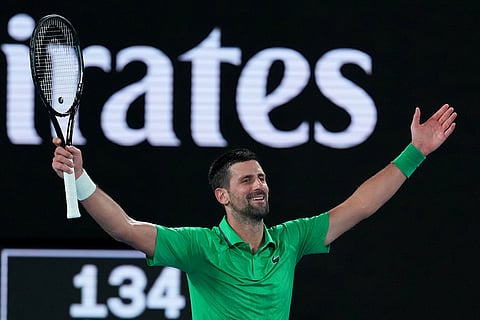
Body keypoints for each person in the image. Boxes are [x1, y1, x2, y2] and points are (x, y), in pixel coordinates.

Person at [52, 104, 456, 319]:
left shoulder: (293, 239)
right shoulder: (198, 246)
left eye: (261, 178)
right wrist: (82, 177)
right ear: (222, 196)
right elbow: (125, 228)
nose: (259, 185)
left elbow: (360, 206)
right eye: (246, 181)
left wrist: (415, 152)